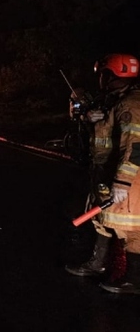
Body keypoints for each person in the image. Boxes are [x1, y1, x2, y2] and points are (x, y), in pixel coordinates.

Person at [65, 53, 140, 294]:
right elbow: (103, 137)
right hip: (105, 173)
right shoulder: (113, 101)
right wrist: (89, 120)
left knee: (131, 228)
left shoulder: (131, 105)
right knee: (101, 220)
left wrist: (123, 181)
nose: (100, 79)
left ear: (111, 75)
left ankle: (134, 280)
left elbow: (136, 145)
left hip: (129, 178)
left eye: (103, 74)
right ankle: (96, 264)